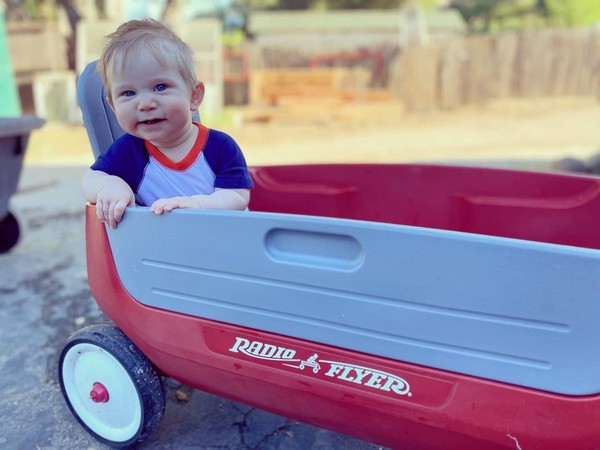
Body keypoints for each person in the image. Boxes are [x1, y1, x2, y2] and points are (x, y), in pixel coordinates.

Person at [82, 19, 253, 229]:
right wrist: (109, 184)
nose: (145, 104)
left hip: (225, 240)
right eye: (128, 93)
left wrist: (198, 205)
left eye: (160, 87)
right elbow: (90, 180)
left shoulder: (220, 147)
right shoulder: (128, 151)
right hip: (166, 245)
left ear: (194, 96)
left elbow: (237, 196)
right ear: (113, 106)